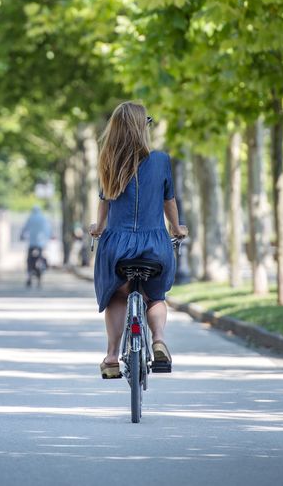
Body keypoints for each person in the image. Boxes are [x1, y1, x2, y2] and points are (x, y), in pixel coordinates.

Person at [89, 101, 187, 380]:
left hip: (116, 248)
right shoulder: (160, 160)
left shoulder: (108, 160)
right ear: (143, 127)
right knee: (155, 297)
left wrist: (98, 228)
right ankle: (158, 340)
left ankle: (110, 358)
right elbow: (169, 202)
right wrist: (177, 229)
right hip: (154, 245)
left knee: (118, 295)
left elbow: (104, 204)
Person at [20, 205, 51, 287]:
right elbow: (48, 229)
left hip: (32, 243)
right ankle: (40, 274)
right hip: (41, 243)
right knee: (40, 257)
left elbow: (25, 228)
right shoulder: (43, 218)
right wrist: (47, 239)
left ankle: (29, 275)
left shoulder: (30, 218)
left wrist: (22, 236)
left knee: (29, 260)